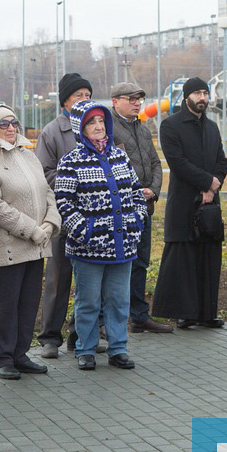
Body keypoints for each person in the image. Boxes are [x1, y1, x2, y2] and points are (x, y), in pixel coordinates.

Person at [54, 100, 147, 370]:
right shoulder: (70, 161)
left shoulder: (120, 156)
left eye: (101, 121)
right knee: (89, 302)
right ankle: (86, 349)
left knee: (119, 300)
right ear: (79, 128)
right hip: (88, 247)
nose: (98, 126)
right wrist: (85, 230)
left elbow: (136, 190)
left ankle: (118, 349)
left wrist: (137, 219)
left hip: (123, 245)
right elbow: (63, 202)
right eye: (91, 122)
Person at [0, 105, 61, 380]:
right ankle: (2, 358)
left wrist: (50, 224)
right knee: (6, 305)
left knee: (28, 302)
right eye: (3, 124)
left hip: (38, 244)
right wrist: (32, 230)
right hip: (9, 246)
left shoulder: (29, 156)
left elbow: (48, 192)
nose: (11, 127)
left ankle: (20, 354)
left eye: (14, 122)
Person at [151, 78, 227, 329]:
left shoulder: (212, 127)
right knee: (184, 259)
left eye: (205, 93)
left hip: (209, 205)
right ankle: (185, 313)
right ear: (186, 98)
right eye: (197, 93)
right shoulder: (170, 126)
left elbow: (221, 161)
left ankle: (207, 313)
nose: (202, 97)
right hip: (184, 203)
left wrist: (214, 183)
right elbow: (178, 163)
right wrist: (207, 183)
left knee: (208, 257)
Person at [35, 73, 96, 358]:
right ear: (65, 101)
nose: (84, 100)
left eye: (88, 94)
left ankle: (81, 333)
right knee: (59, 279)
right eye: (78, 95)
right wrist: (77, 177)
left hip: (95, 217)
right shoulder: (51, 132)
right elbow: (43, 173)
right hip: (63, 217)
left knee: (91, 279)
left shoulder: (97, 127)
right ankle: (50, 337)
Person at [109, 82, 172, 333]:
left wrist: (154, 191)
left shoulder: (144, 130)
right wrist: (136, 191)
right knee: (118, 266)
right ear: (115, 101)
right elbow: (112, 169)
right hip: (121, 211)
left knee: (141, 263)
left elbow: (156, 164)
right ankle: (111, 320)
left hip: (145, 209)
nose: (137, 103)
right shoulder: (108, 128)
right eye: (131, 99)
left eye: (140, 99)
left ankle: (138, 316)